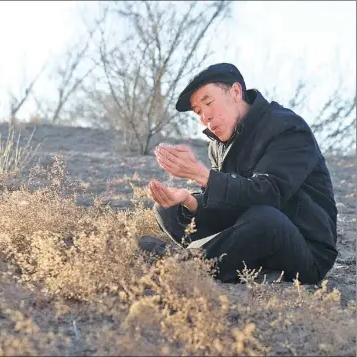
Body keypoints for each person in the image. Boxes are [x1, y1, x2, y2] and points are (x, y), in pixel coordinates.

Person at [139, 63, 338, 284]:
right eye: (198, 112)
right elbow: (229, 205)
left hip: (304, 252)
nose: (205, 117)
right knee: (170, 209)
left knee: (265, 218)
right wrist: (189, 202)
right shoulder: (218, 143)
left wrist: (201, 174)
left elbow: (270, 195)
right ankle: (223, 260)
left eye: (208, 102)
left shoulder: (287, 127)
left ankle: (192, 265)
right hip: (251, 232)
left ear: (235, 92)